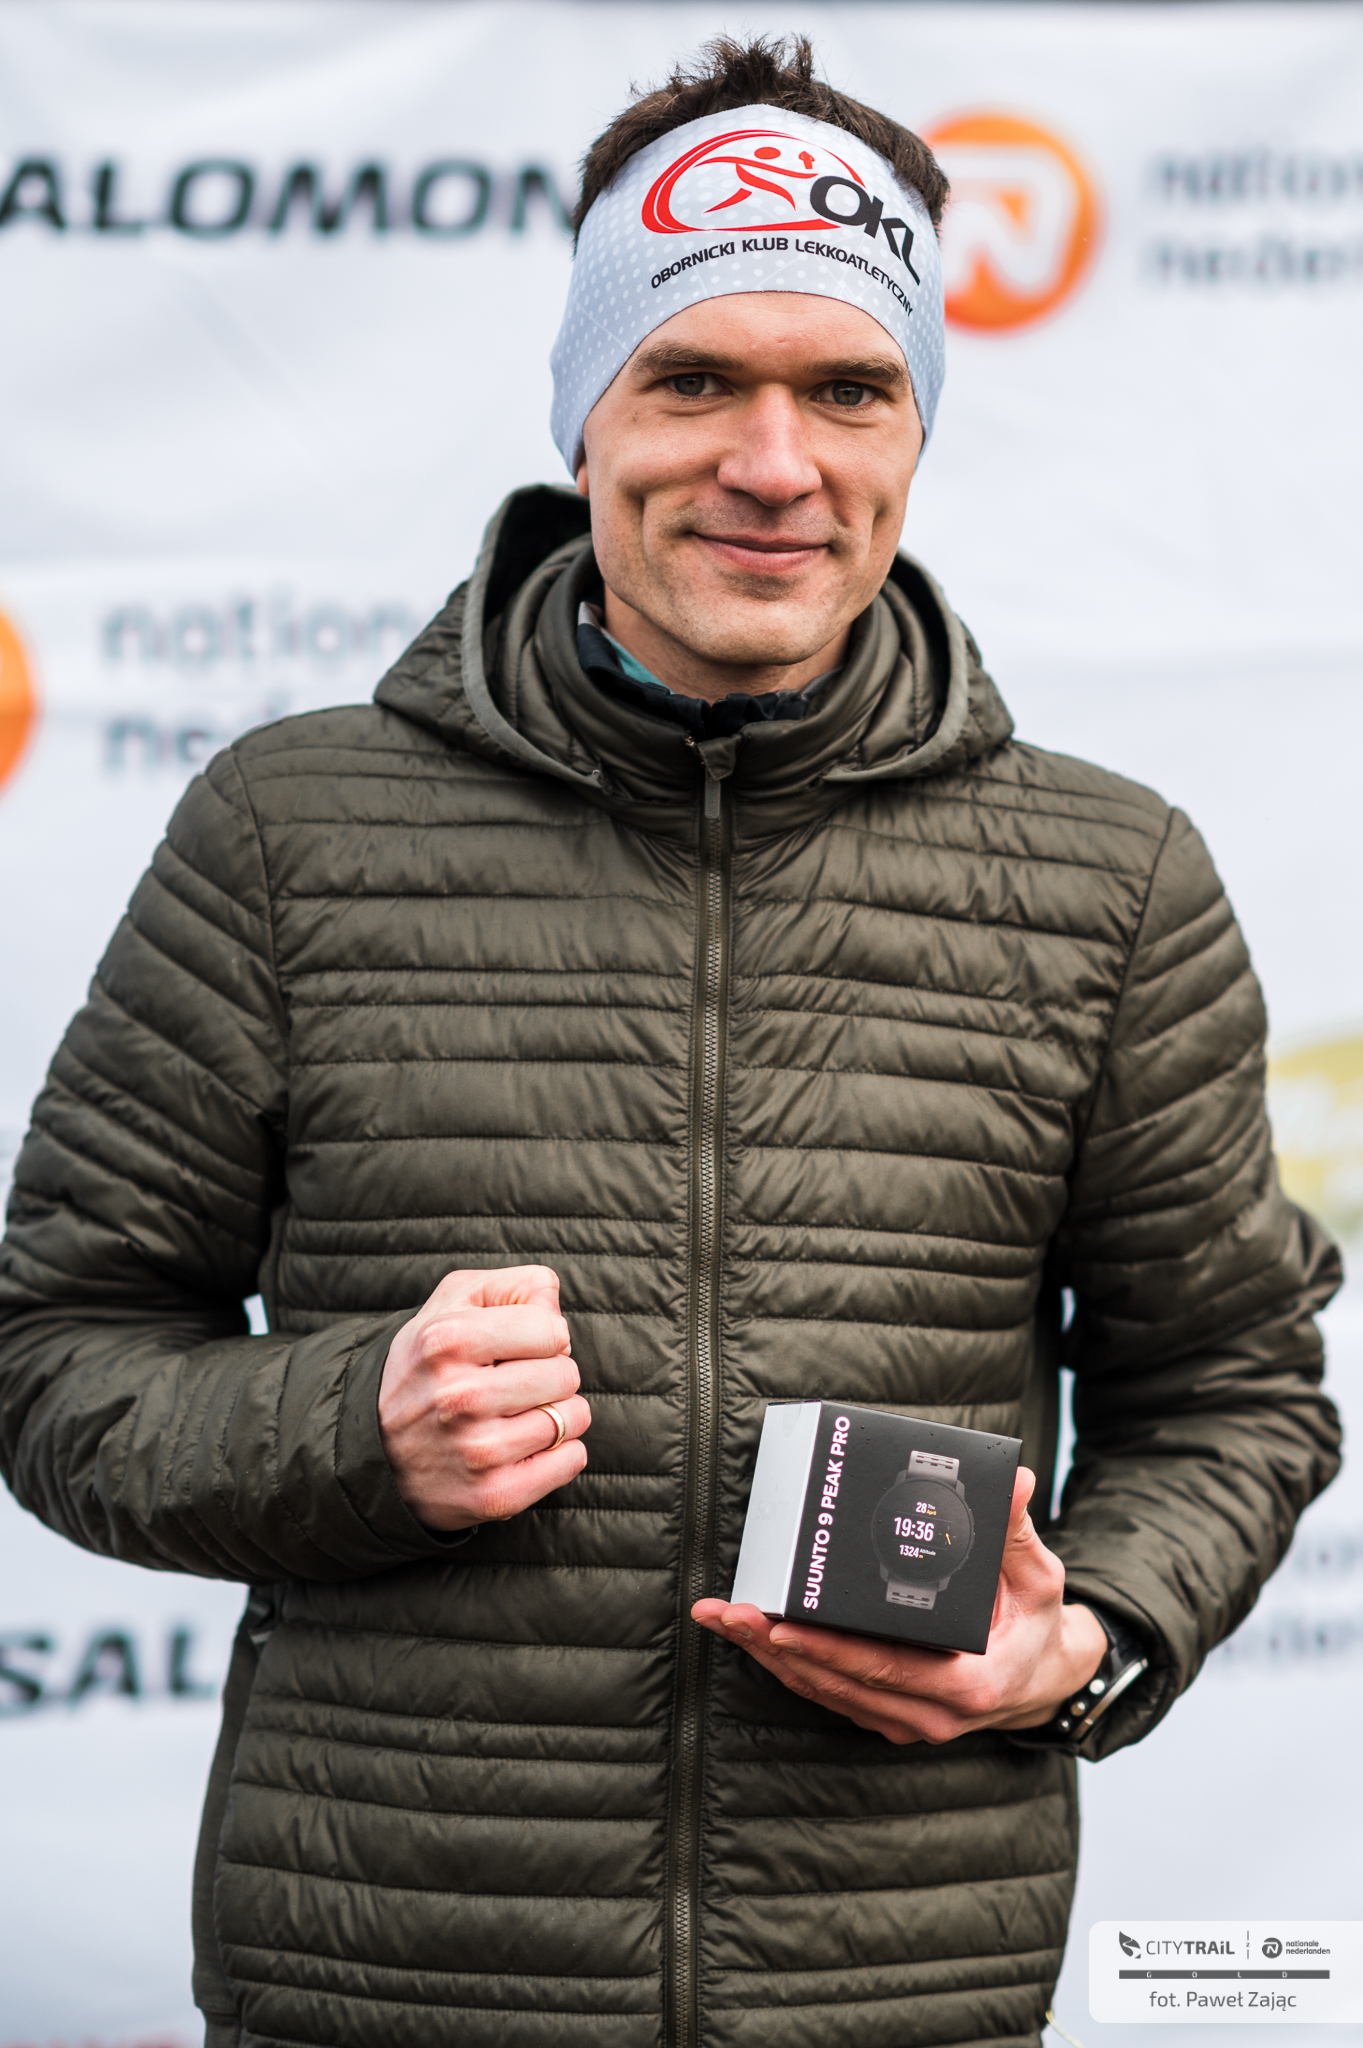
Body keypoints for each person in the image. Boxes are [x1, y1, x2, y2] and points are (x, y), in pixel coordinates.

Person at [0, 34, 1342, 2048]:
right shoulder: (292, 833)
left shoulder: (1107, 877)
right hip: (391, 1983)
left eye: (849, 387)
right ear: (585, 414)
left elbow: (1233, 1386)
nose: (775, 463)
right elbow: (58, 1349)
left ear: (916, 424)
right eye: (694, 376)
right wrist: (353, 1427)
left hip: (897, 1987)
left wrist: (1076, 1642)